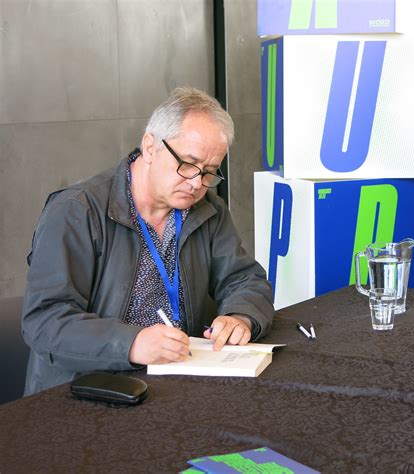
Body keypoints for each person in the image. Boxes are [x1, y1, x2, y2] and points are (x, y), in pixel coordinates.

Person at [22, 86, 274, 395]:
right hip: (88, 389)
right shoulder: (76, 211)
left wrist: (241, 316)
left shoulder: (208, 210)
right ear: (150, 147)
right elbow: (45, 321)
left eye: (208, 172)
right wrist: (131, 344)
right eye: (187, 164)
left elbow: (244, 279)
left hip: (177, 380)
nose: (196, 183)